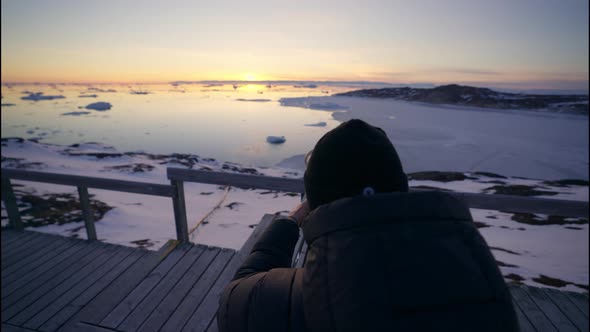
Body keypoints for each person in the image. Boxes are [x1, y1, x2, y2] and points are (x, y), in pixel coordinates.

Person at [217, 119, 519, 332]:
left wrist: (289, 223)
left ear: (318, 201)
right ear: (400, 189)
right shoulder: (476, 273)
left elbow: (235, 299)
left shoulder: (301, 299)